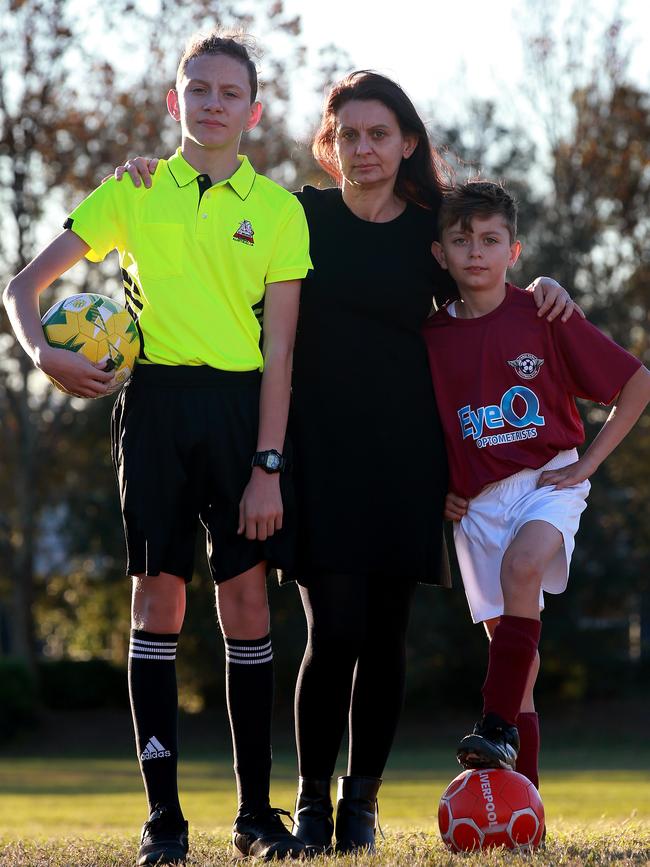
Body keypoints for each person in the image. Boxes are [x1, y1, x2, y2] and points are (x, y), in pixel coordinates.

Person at [113, 71, 576, 855]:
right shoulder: (299, 215)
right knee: (333, 633)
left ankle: (361, 804)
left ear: (406, 144)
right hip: (314, 455)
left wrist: (540, 286)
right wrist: (148, 177)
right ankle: (312, 805)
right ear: (330, 144)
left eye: (379, 134)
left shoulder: (432, 229)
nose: (364, 149)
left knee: (387, 637)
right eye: (350, 134)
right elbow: (216, 232)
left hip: (408, 456)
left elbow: (483, 280)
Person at [2, 30, 312, 866]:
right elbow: (21, 286)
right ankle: (164, 822)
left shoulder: (279, 211)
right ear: (174, 101)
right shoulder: (130, 193)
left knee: (247, 606)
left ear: (254, 108)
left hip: (242, 414)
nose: (212, 104)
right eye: (197, 89)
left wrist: (268, 463)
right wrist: (43, 353)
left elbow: (281, 352)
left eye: (228, 92)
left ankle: (255, 817)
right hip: (155, 408)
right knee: (157, 604)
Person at [423, 180, 650, 791]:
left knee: (524, 568)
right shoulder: (431, 337)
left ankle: (494, 725)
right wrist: (437, 486)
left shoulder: (543, 312)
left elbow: (638, 383)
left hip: (548, 483)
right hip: (477, 507)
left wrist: (588, 465)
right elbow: (426, 430)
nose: (476, 252)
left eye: (491, 240)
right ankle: (526, 798)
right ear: (440, 253)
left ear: (514, 251)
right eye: (461, 240)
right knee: (514, 660)